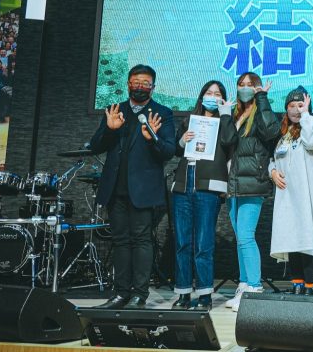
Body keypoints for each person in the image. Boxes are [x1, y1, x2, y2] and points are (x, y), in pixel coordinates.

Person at [89, 64, 176, 309]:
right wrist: (110, 129)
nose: (140, 87)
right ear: (128, 84)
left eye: (145, 83)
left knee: (141, 240)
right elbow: (96, 146)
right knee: (120, 241)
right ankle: (120, 293)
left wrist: (152, 138)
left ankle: (139, 295)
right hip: (115, 187)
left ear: (153, 87)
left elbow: (169, 151)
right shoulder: (115, 110)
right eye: (136, 82)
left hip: (143, 189)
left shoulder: (162, 113)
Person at [170, 80, 236, 311]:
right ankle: (183, 293)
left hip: (209, 186)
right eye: (209, 92)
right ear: (201, 96)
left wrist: (226, 114)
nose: (213, 97)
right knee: (182, 243)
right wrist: (182, 140)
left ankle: (205, 295)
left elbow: (230, 141)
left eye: (217, 94)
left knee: (203, 244)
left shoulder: (225, 121)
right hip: (183, 183)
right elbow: (176, 150)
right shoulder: (189, 120)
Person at [224, 72, 280, 310]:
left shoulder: (260, 112)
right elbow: (226, 142)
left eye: (250, 84)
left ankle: (255, 287)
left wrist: (262, 98)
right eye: (241, 84)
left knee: (246, 235)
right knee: (241, 238)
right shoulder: (235, 114)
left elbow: (271, 131)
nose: (245, 88)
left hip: (253, 182)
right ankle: (244, 283)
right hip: (233, 182)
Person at [269, 87, 313, 295]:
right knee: (290, 236)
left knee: (307, 237)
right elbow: (273, 159)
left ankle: (310, 286)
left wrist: (306, 116)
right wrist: (272, 172)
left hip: (307, 192)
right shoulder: (283, 134)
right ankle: (297, 283)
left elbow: (312, 142)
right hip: (287, 194)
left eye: (300, 105)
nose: (296, 110)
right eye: (291, 106)